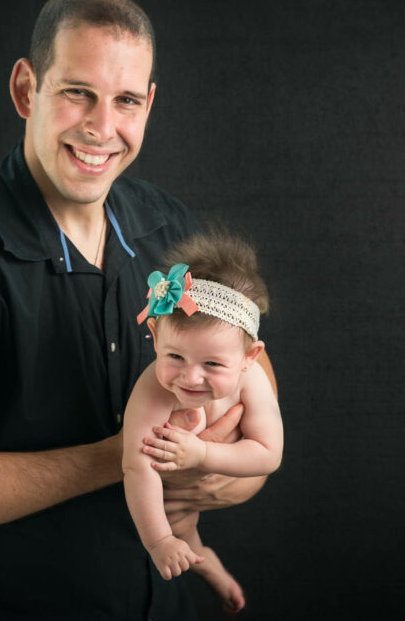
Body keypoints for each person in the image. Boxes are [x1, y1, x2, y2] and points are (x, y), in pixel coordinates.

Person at [0, 0, 276, 619]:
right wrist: (124, 456)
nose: (101, 128)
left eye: (125, 100)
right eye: (78, 92)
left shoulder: (169, 228)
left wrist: (234, 473)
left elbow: (248, 360)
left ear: (149, 104)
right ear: (26, 90)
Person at [123, 231, 282, 615]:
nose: (190, 377)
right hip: (154, 501)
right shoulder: (152, 389)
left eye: (212, 364)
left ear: (249, 357)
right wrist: (159, 541)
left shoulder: (252, 380)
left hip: (201, 481)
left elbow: (268, 454)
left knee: (183, 528)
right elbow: (136, 466)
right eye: (175, 356)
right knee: (177, 529)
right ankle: (204, 561)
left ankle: (201, 557)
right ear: (155, 336)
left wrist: (202, 455)